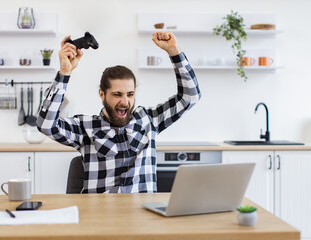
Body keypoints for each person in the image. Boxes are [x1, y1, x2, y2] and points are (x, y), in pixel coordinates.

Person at [37, 31, 201, 193]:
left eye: (130, 94)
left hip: (142, 215)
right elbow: (45, 125)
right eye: (117, 94)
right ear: (102, 94)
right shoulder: (85, 128)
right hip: (101, 215)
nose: (125, 102)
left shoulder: (149, 120)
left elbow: (191, 96)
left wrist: (174, 52)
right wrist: (64, 73)